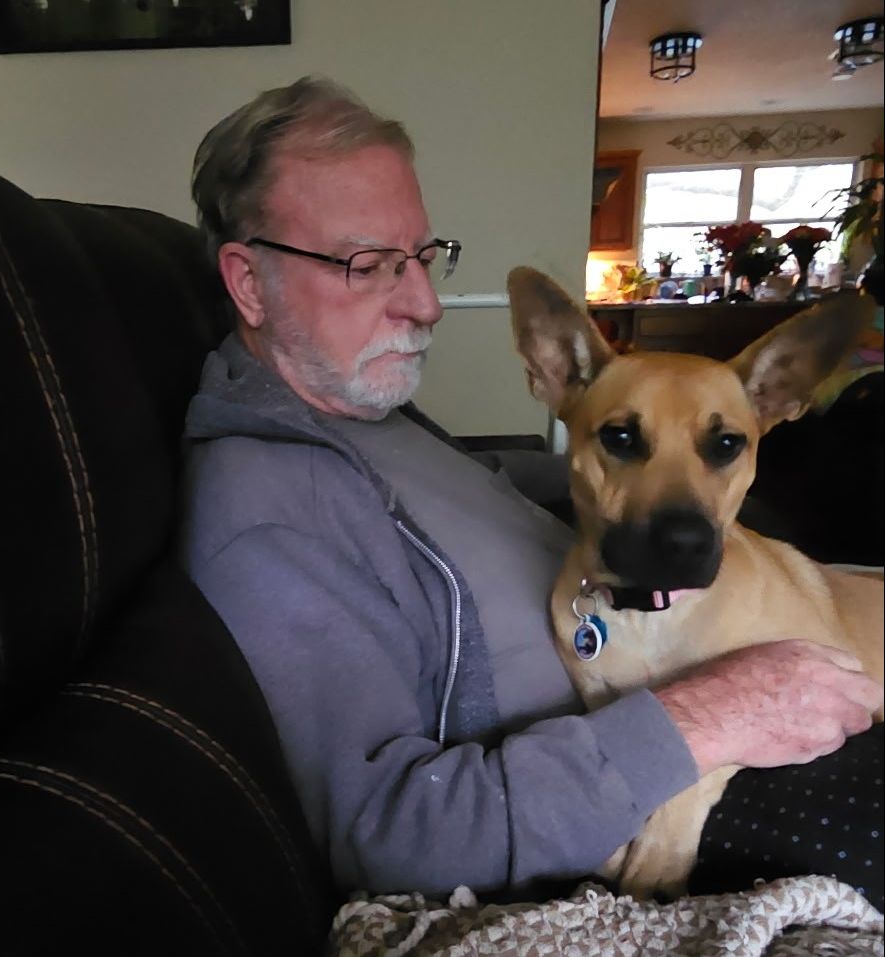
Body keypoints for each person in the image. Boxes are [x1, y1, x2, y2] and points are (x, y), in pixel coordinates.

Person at [178, 76, 882, 898]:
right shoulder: (268, 510)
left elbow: (486, 490)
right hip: (662, 785)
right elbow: (392, 838)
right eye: (368, 264)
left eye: (421, 258)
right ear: (248, 283)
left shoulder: (365, 412)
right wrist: (706, 718)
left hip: (695, 675)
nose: (426, 304)